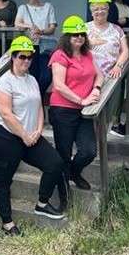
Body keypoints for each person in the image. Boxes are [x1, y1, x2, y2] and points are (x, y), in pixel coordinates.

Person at [0, 35, 66, 235]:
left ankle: (42, 203)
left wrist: (38, 130)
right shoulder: (5, 81)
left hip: (31, 135)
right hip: (7, 136)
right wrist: (24, 135)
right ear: (13, 57)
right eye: (22, 57)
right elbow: (6, 113)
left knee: (55, 163)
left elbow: (39, 106)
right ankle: (7, 222)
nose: (26, 61)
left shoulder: (32, 79)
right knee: (3, 180)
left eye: (29, 57)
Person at [49, 15, 104, 196]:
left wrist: (96, 89)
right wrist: (81, 100)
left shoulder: (88, 54)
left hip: (84, 111)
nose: (79, 37)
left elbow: (99, 75)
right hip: (63, 110)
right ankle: (64, 195)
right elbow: (59, 85)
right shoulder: (60, 55)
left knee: (89, 151)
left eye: (82, 34)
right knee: (63, 153)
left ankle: (74, 172)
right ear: (67, 37)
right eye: (75, 34)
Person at [85, 0, 129, 137]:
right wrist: (90, 43)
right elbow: (74, 48)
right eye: (96, 9)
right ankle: (90, 137)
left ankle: (105, 133)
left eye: (103, 8)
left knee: (108, 109)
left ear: (108, 9)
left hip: (111, 74)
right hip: (89, 75)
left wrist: (118, 66)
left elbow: (125, 51)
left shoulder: (117, 29)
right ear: (91, 10)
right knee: (89, 107)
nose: (100, 12)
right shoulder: (84, 28)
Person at [14, 0, 57, 95]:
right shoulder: (23, 8)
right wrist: (30, 26)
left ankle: (37, 96)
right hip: (31, 46)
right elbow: (17, 23)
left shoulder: (48, 7)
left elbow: (52, 28)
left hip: (45, 46)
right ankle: (38, 101)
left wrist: (41, 31)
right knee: (34, 76)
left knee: (46, 77)